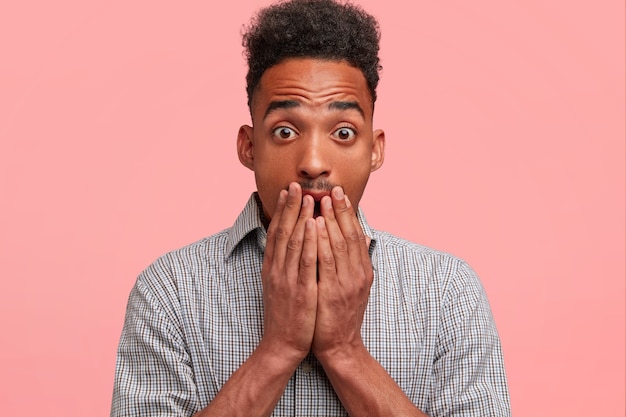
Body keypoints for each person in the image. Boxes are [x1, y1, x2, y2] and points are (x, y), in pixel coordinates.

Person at [110, 0, 511, 415]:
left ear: (374, 151)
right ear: (249, 147)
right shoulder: (169, 291)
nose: (314, 161)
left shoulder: (447, 292)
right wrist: (278, 348)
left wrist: (345, 350)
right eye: (285, 131)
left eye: (342, 132)